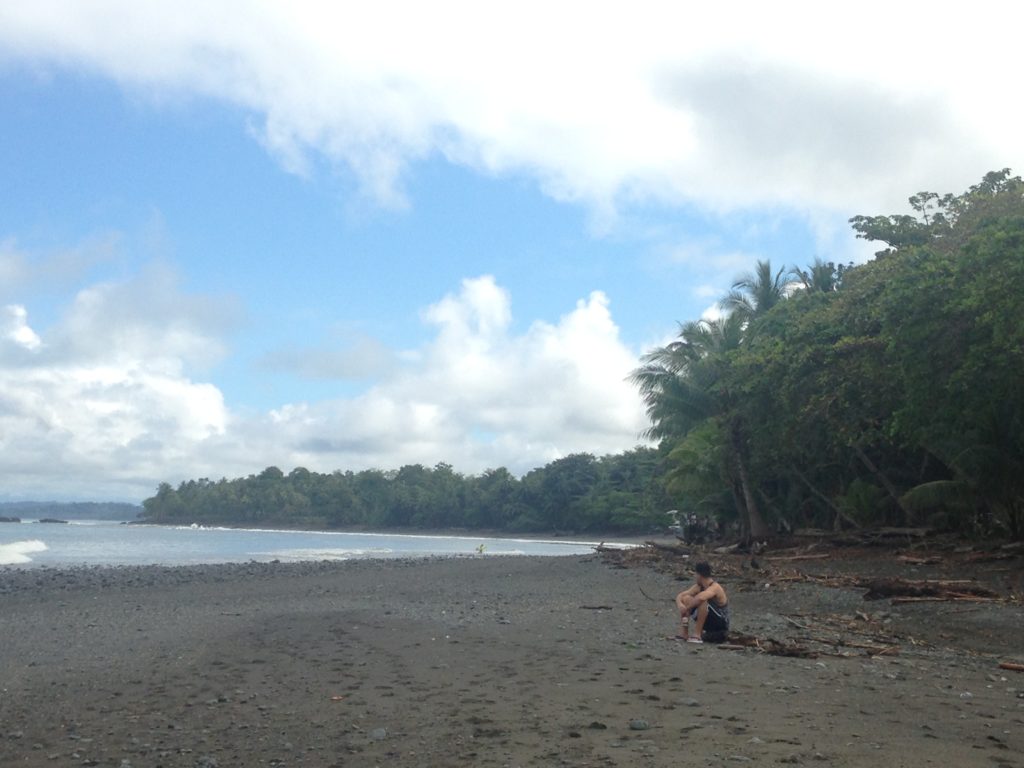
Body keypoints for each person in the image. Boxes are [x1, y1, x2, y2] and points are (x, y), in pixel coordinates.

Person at [675, 561, 729, 643]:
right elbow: (681, 596)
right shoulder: (698, 587)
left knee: (702, 601)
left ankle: (697, 635)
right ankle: (684, 633)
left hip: (720, 626)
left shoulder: (715, 587)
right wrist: (681, 605)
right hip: (709, 624)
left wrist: (687, 608)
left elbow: (701, 598)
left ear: (699, 575)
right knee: (686, 599)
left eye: (695, 574)